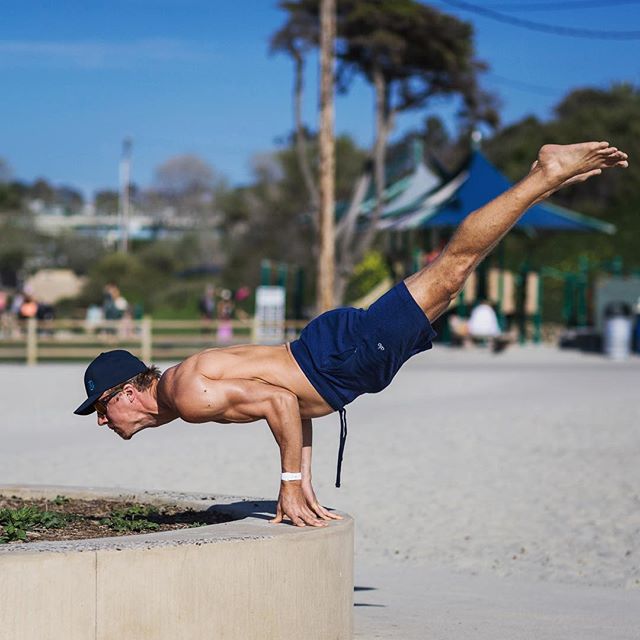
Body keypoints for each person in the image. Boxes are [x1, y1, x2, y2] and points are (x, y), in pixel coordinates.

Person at [73, 142, 628, 528]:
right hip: (331, 356)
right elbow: (285, 403)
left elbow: (278, 399)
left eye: (100, 407)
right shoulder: (182, 386)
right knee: (454, 277)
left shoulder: (184, 396)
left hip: (338, 358)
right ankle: (543, 181)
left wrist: (288, 480)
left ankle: (545, 173)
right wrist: (303, 487)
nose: (101, 420)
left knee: (452, 267)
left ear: (125, 391)